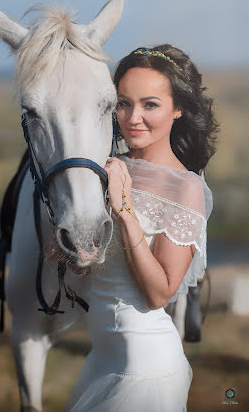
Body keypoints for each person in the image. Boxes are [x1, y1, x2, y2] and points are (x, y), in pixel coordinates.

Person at [64, 44, 219, 412]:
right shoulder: (109, 167)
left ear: (178, 109)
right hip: (102, 360)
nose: (133, 118)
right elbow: (85, 269)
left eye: (150, 104)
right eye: (123, 103)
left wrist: (124, 211)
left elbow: (158, 294)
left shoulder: (185, 187)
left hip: (144, 369)